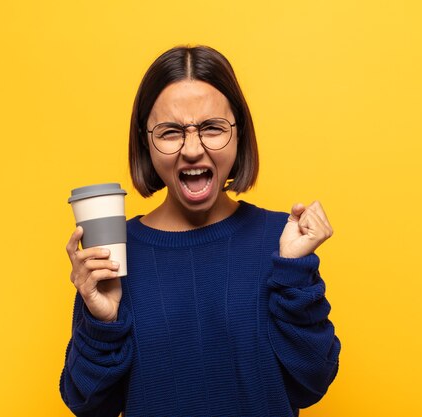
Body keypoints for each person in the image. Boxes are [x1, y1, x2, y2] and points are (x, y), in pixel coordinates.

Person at [60, 45, 340, 417]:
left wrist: (293, 274)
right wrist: (102, 321)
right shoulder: (114, 254)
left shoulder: (283, 241)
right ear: (146, 140)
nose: (192, 150)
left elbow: (312, 381)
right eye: (171, 132)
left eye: (212, 128)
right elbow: (89, 403)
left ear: (239, 134)